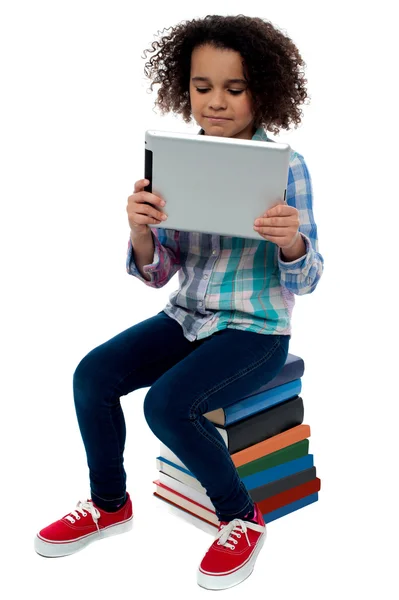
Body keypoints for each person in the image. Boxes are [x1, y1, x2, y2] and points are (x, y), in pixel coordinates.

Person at [34, 14, 324, 590]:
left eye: (234, 89)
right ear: (183, 87)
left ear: (263, 90)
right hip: (187, 317)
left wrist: (291, 241)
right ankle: (109, 504)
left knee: (167, 406)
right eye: (201, 87)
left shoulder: (288, 167)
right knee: (91, 375)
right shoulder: (173, 161)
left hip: (256, 330)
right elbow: (162, 272)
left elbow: (311, 278)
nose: (216, 102)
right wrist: (141, 233)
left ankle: (242, 517)